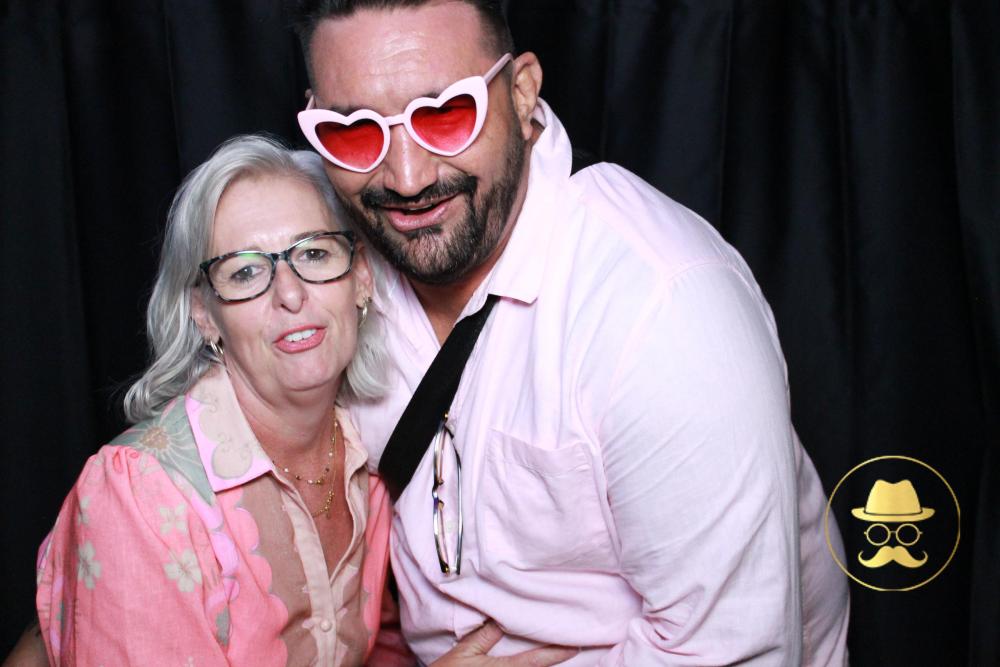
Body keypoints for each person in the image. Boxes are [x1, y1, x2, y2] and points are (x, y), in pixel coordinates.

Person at [289, 1, 852, 665]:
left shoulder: (662, 307)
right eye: (354, 132)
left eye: (446, 115)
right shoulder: (313, 255)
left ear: (522, 91)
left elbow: (737, 652)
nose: (407, 178)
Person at [24, 135, 573, 667]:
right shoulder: (138, 496)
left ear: (361, 278)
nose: (289, 294)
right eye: (245, 271)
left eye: (313, 253)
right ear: (204, 314)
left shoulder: (369, 452)